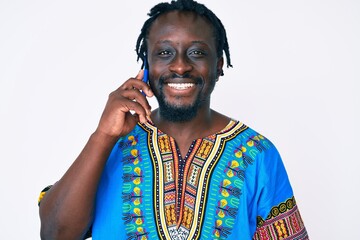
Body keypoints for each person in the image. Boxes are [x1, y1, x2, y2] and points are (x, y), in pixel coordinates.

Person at [38, 0, 309, 239]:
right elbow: (55, 234)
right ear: (146, 65)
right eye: (164, 53)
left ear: (218, 64)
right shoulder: (112, 145)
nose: (180, 66)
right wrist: (102, 136)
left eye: (197, 52)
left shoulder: (257, 154)